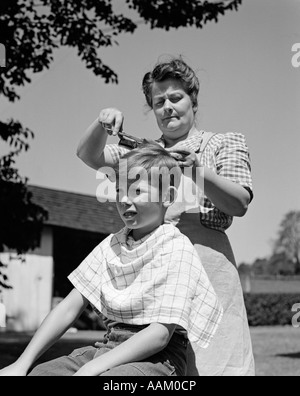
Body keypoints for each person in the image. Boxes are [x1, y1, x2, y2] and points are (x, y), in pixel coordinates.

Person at [76, 57, 255, 376]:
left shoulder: (223, 142)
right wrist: (101, 123)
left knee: (217, 364)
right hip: (154, 272)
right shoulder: (143, 154)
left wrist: (197, 170)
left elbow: (239, 203)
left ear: (193, 100)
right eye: (159, 102)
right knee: (156, 365)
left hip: (210, 267)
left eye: (176, 98)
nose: (168, 107)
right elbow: (89, 155)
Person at [0, 143, 222, 377]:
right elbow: (68, 307)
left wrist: (93, 367)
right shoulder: (112, 245)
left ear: (167, 196)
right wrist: (21, 364)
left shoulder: (176, 247)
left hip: (159, 358)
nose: (125, 199)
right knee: (41, 374)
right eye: (119, 191)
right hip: (109, 346)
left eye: (137, 191)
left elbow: (160, 335)